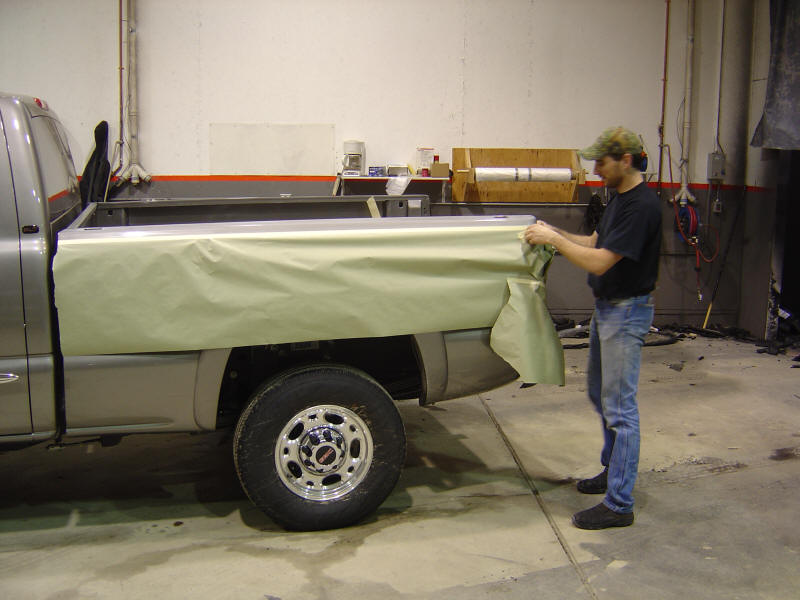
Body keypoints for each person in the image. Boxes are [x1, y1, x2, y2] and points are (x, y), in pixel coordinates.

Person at [524, 126, 662, 529]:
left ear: (626, 160)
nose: (597, 169)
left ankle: (620, 504)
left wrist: (554, 239)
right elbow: (594, 241)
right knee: (601, 396)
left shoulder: (643, 207)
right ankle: (612, 470)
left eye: (602, 161)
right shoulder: (621, 199)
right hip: (608, 310)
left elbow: (601, 262)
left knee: (621, 408)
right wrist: (551, 235)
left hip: (626, 312)